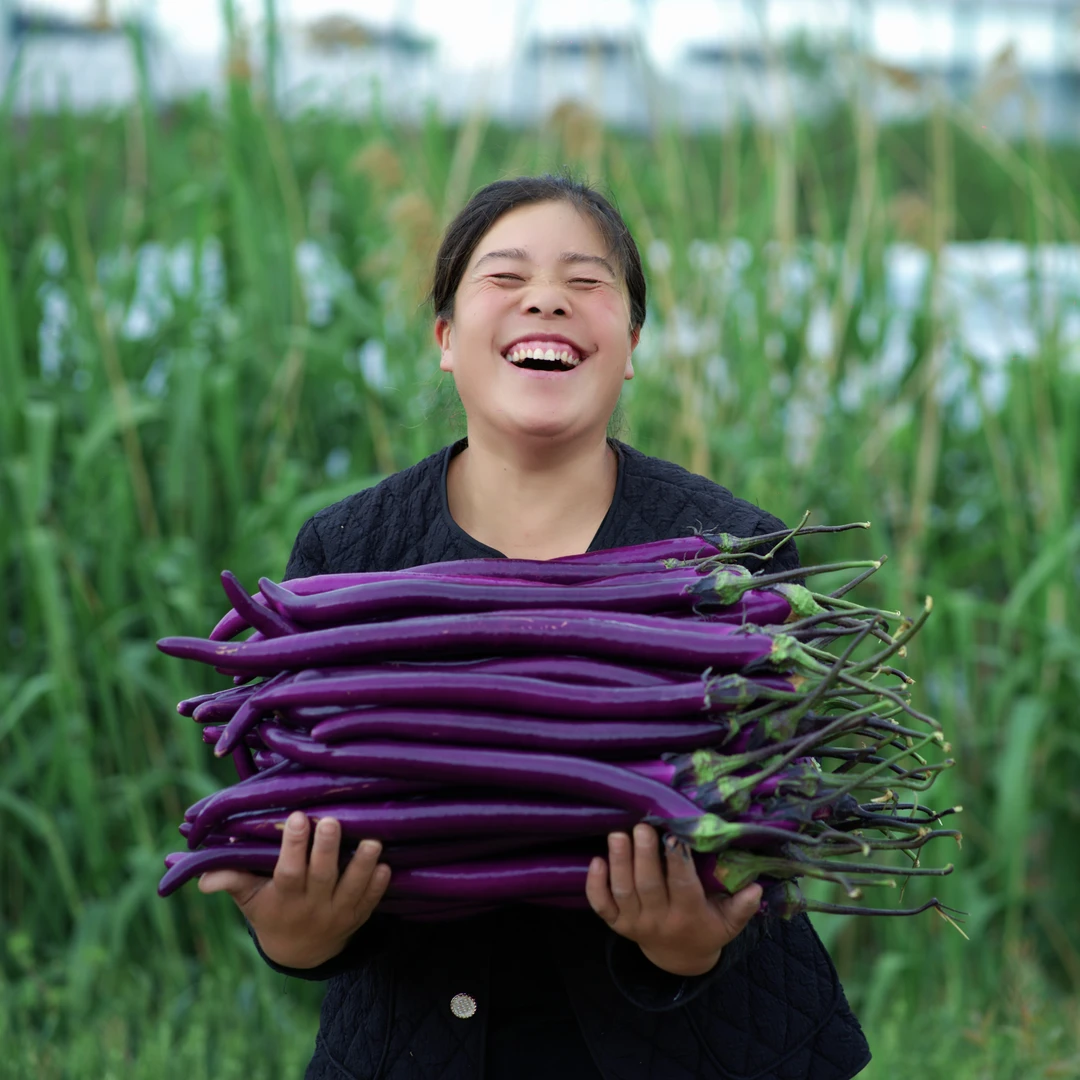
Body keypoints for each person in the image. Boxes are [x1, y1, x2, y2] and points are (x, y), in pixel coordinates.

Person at [197, 175, 872, 1079]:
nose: (546, 297)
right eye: (503, 276)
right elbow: (308, 820)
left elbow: (770, 829)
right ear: (445, 339)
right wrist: (300, 939)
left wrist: (693, 946)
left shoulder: (733, 555)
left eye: (588, 282)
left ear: (630, 345)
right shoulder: (349, 549)